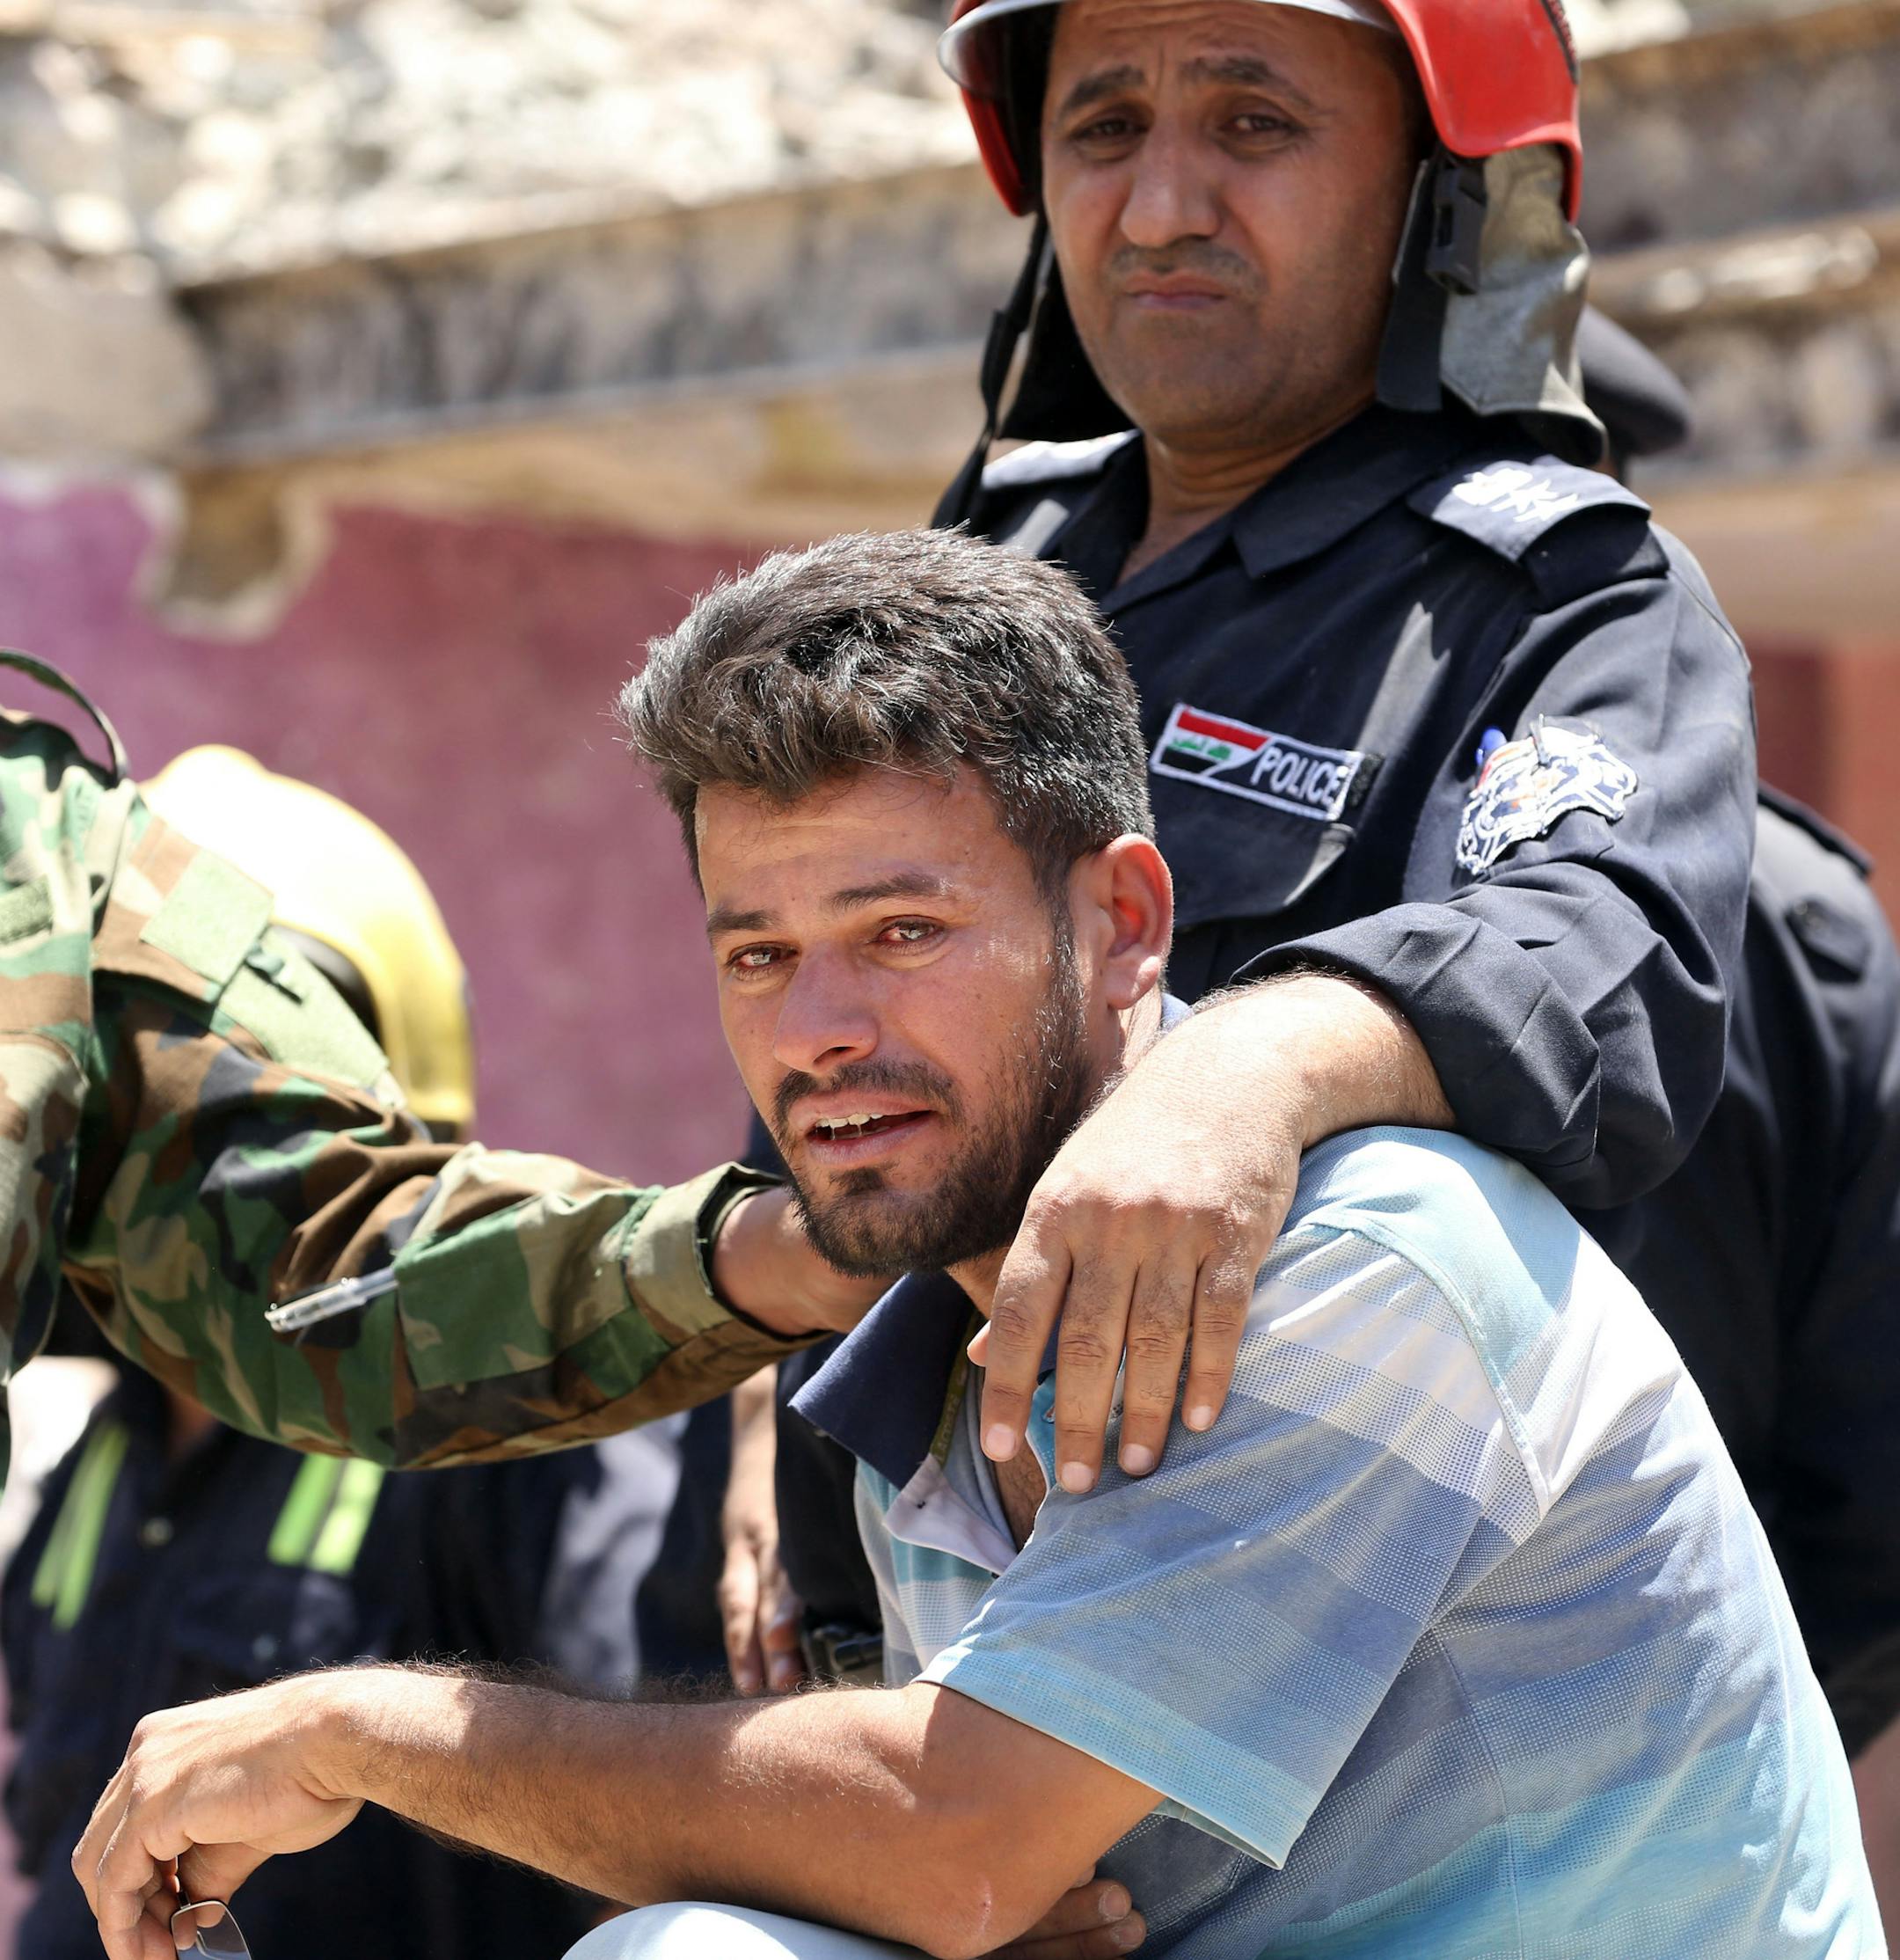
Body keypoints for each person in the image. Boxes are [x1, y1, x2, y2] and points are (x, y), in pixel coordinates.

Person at [71, 530, 1877, 1960]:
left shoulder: (1357, 1259)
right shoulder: (933, 1357)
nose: (820, 1030)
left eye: (903, 928)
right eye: (758, 955)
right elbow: (980, 1879)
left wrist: (359, 1737)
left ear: (1125, 922)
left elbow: (955, 1838)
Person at [757, 0, 1755, 1688]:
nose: (1156, 208)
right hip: (913, 1667)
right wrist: (749, 1392)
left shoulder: (1561, 601)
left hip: (1348, 1723)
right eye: (1102, 128)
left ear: (1445, 197)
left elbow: (1608, 974)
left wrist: (1266, 1064)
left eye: (1255, 124)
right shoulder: (976, 562)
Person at [1, 748, 728, 1958]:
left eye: (241, 1105)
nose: (189, 1157)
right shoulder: (96, 1467)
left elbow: (666, 1838)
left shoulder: (518, 1444)